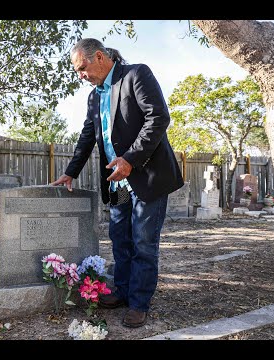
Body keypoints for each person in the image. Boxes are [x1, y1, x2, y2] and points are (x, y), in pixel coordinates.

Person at [50, 38, 184, 328]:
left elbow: (158, 118)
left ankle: (139, 303)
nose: (80, 75)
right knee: (120, 238)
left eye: (82, 68)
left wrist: (130, 159)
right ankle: (122, 291)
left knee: (143, 242)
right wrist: (71, 171)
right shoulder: (94, 96)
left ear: (99, 56)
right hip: (117, 184)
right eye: (76, 72)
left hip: (146, 178)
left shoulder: (136, 75)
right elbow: (88, 136)